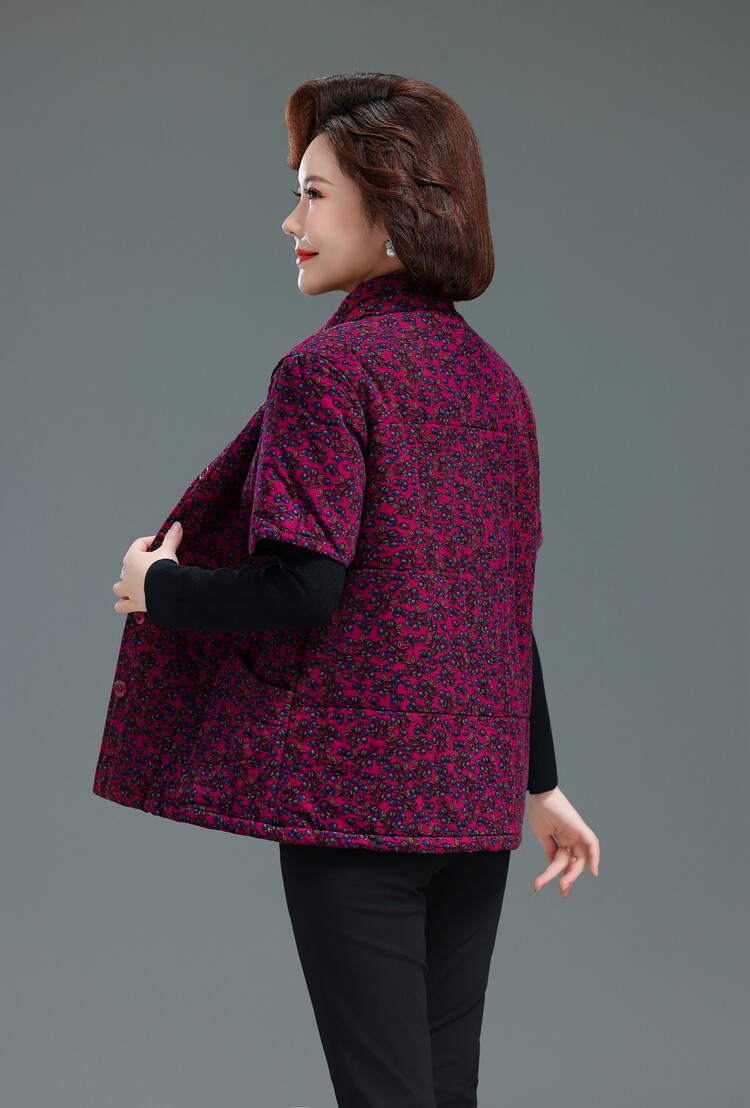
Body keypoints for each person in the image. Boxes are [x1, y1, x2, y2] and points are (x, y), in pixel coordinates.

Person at [109, 72, 601, 1108]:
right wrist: (540, 784)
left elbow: (302, 589)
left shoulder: (327, 372)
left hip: (358, 811)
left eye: (313, 193)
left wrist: (162, 587)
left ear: (391, 213)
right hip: (471, 806)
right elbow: (499, 605)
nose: (290, 222)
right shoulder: (497, 386)